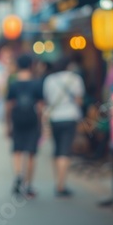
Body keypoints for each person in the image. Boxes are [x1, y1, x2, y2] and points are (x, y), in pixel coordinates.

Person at [42, 56, 85, 197]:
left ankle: (57, 182)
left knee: (57, 149)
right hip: (70, 117)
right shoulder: (75, 79)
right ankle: (61, 185)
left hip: (54, 117)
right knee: (65, 151)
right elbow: (79, 100)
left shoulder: (49, 80)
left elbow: (47, 100)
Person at [6, 54, 43, 198]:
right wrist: (41, 123)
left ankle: (18, 176)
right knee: (31, 152)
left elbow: (8, 106)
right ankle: (28, 184)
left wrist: (8, 124)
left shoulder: (13, 83)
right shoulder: (36, 83)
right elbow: (40, 107)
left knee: (17, 150)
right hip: (32, 119)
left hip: (17, 118)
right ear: (31, 65)